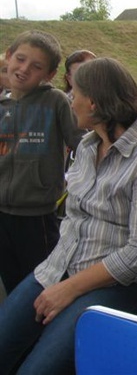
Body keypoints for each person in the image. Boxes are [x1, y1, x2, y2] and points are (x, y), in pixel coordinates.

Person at [0, 57, 137, 373]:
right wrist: (57, 279)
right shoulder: (85, 147)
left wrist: (69, 289)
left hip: (119, 286)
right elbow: (73, 219)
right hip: (58, 268)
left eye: (75, 93)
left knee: (36, 369)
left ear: (94, 103)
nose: (70, 100)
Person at [0, 31, 83, 295]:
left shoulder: (55, 100)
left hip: (37, 216)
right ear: (9, 57)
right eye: (20, 59)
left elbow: (80, 140)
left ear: (49, 74)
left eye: (36, 67)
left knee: (41, 286)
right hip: (2, 215)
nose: (24, 69)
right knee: (12, 284)